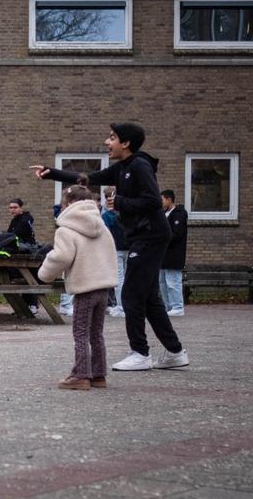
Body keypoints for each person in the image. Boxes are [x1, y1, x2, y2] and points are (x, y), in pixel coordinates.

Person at [31, 123, 189, 372]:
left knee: (131, 295)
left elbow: (152, 200)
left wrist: (121, 201)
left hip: (151, 236)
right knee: (149, 298)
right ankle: (175, 351)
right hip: (145, 236)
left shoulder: (139, 165)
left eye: (112, 138)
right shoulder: (122, 168)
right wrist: (51, 173)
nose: (107, 142)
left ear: (125, 143)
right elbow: (87, 179)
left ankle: (140, 352)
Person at [39, 186, 118, 390]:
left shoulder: (66, 229)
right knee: (96, 333)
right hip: (104, 287)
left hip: (85, 287)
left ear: (69, 203)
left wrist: (44, 273)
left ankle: (81, 375)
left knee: (80, 332)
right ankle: (99, 374)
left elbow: (61, 257)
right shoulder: (101, 226)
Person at [101, 186, 129, 318]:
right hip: (129, 247)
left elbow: (105, 234)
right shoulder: (127, 212)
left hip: (116, 249)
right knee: (128, 278)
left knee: (119, 279)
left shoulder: (107, 215)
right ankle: (126, 305)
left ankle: (121, 306)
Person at [159, 189, 188, 317]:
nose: (161, 202)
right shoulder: (164, 213)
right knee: (162, 282)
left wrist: (160, 238)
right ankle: (168, 306)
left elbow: (176, 234)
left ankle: (177, 306)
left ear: (169, 199)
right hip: (162, 255)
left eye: (162, 199)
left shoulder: (179, 214)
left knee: (173, 281)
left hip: (174, 254)